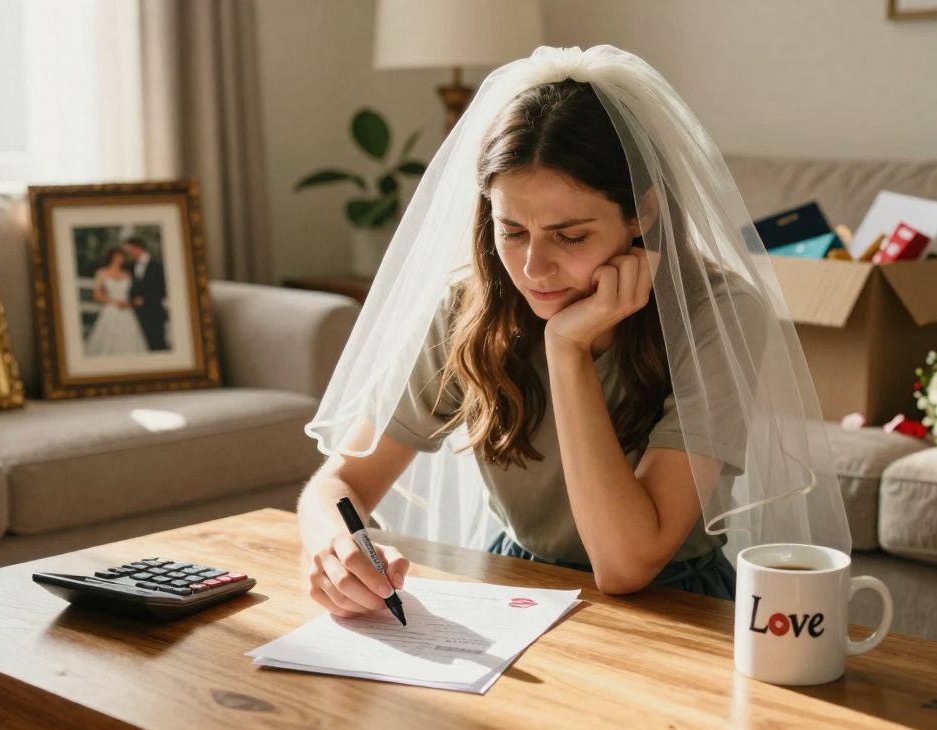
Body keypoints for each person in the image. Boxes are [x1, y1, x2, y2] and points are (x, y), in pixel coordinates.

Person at [295, 46, 850, 620]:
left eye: (571, 236)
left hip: (674, 605)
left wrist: (567, 348)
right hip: (520, 590)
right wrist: (335, 549)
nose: (534, 267)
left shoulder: (719, 313)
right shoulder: (471, 307)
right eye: (511, 230)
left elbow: (626, 564)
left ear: (643, 214)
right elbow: (337, 483)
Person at [84, 247, 149, 356]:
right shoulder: (101, 272)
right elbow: (97, 295)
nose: (120, 259)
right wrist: (115, 302)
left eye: (122, 257)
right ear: (111, 258)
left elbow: (133, 293)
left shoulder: (127, 274)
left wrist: (131, 302)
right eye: (118, 257)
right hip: (111, 310)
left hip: (126, 310)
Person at [123, 236, 168, 351]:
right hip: (135, 315)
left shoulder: (158, 266)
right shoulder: (130, 266)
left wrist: (145, 299)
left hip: (154, 313)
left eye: (129, 250)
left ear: (138, 248)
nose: (127, 254)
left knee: (157, 345)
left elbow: (163, 289)